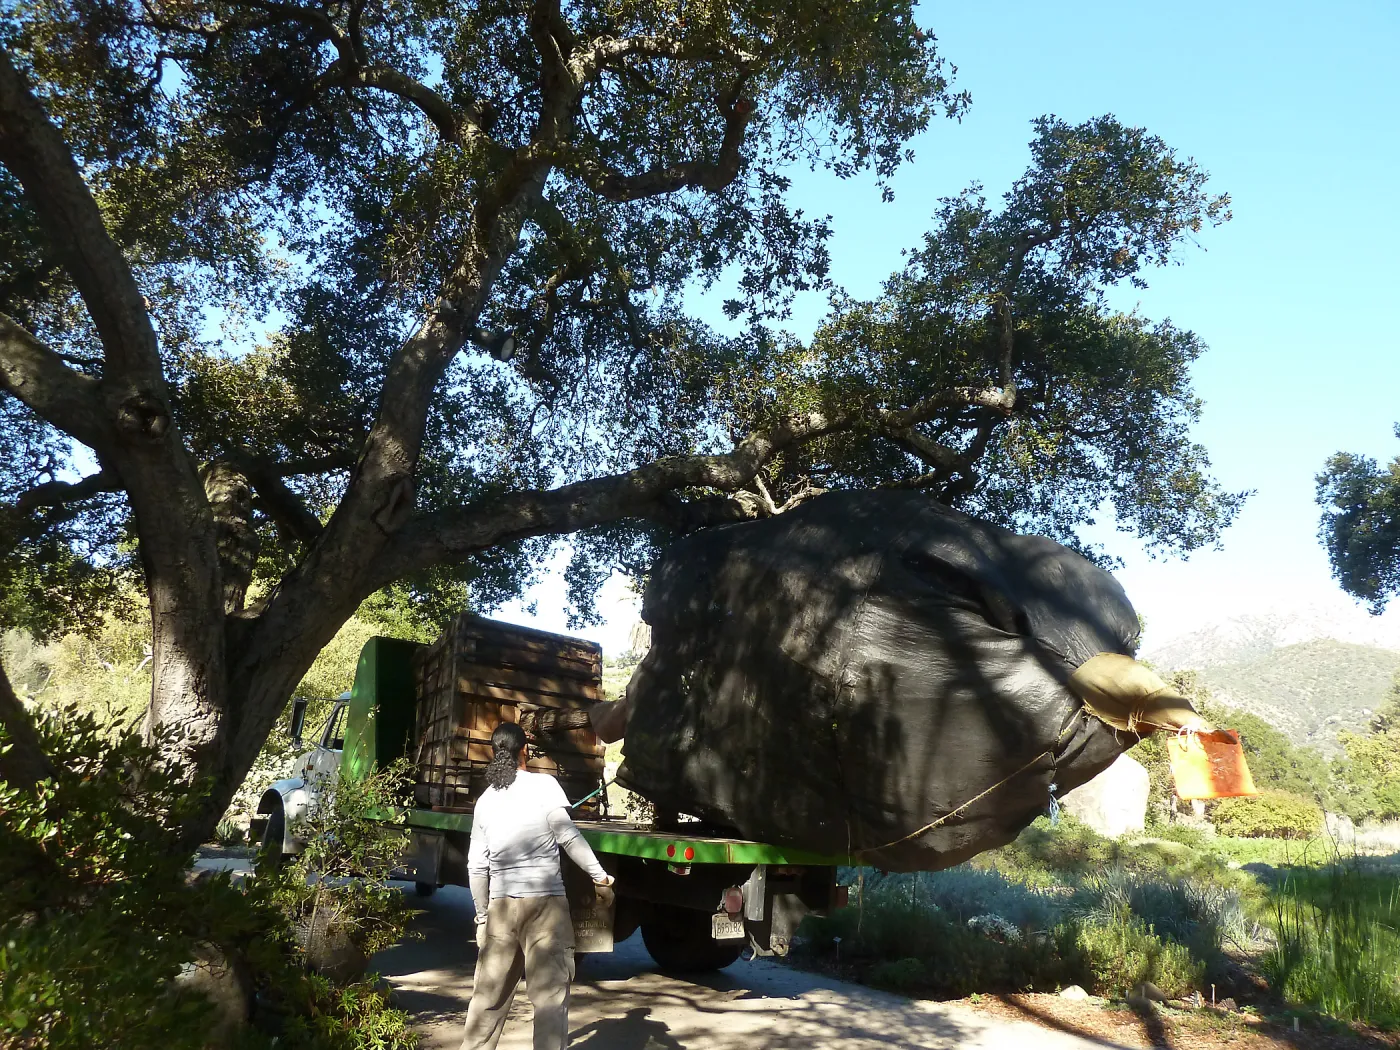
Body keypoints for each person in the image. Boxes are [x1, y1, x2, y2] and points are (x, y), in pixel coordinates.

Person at [460, 721, 614, 1050]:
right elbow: (568, 837)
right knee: (549, 1001)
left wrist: (482, 918)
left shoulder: (485, 800)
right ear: (524, 752)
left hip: (501, 908)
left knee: (487, 999)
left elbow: (476, 865)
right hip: (546, 907)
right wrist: (599, 875)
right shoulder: (545, 786)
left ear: (494, 753)